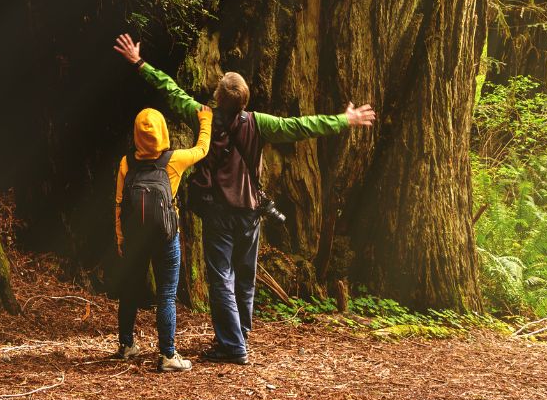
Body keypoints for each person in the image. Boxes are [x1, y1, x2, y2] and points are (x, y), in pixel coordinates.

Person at [112, 33, 375, 365]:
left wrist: (139, 62)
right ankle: (238, 334)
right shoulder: (258, 123)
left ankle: (233, 345)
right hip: (251, 211)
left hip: (218, 212)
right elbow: (301, 126)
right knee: (244, 276)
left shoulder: (203, 114)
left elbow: (170, 90)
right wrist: (344, 120)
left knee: (221, 275)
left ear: (219, 97)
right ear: (243, 102)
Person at [112, 97, 211, 372]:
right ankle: (168, 355)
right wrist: (206, 120)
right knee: (166, 296)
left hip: (134, 240)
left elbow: (119, 204)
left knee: (129, 292)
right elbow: (202, 148)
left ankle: (126, 345)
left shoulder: (125, 163)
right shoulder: (174, 160)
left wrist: (120, 238)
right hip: (166, 238)